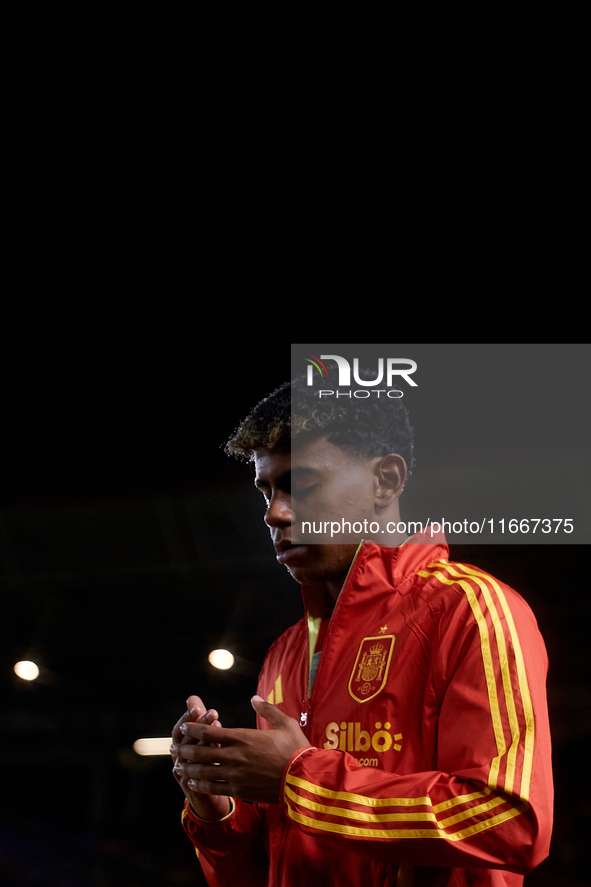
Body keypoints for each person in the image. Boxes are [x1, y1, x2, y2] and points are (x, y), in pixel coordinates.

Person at [170, 370, 553, 886]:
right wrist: (219, 810)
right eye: (267, 492)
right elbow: (271, 864)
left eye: (301, 484)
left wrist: (300, 779)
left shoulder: (471, 609)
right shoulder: (286, 651)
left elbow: (511, 824)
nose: (276, 514)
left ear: (386, 480)